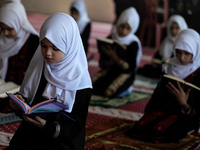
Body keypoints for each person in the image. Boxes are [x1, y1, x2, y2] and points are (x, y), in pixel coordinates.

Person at [5, 13, 92, 150]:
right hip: (33, 133)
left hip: (61, 141)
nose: (47, 53)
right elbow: (30, 108)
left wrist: (47, 126)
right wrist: (18, 105)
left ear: (69, 46)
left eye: (55, 48)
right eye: (44, 46)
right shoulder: (39, 67)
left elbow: (76, 129)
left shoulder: (80, 82)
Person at [127, 29, 200, 143]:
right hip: (165, 109)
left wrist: (184, 103)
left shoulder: (198, 73)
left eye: (187, 53)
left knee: (159, 131)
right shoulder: (169, 66)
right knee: (140, 126)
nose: (181, 57)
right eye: (179, 52)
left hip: (186, 115)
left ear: (196, 52)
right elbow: (158, 93)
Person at [92, 7, 142, 98]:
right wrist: (110, 61)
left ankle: (126, 88)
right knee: (92, 88)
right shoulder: (111, 38)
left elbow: (130, 69)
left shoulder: (133, 43)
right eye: (122, 26)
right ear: (118, 23)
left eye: (128, 28)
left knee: (108, 92)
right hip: (110, 70)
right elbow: (101, 63)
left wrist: (115, 58)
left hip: (125, 74)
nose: (123, 31)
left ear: (133, 29)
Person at [137, 14, 188, 78]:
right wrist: (156, 62)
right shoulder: (167, 41)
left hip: (177, 70)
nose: (173, 31)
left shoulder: (185, 43)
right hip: (163, 67)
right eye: (171, 28)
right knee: (147, 68)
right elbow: (158, 56)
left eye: (177, 28)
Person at [0, 2, 39, 85]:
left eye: (9, 29)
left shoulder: (33, 41)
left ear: (19, 23)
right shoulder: (1, 36)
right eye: (3, 29)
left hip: (21, 90)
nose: (5, 33)